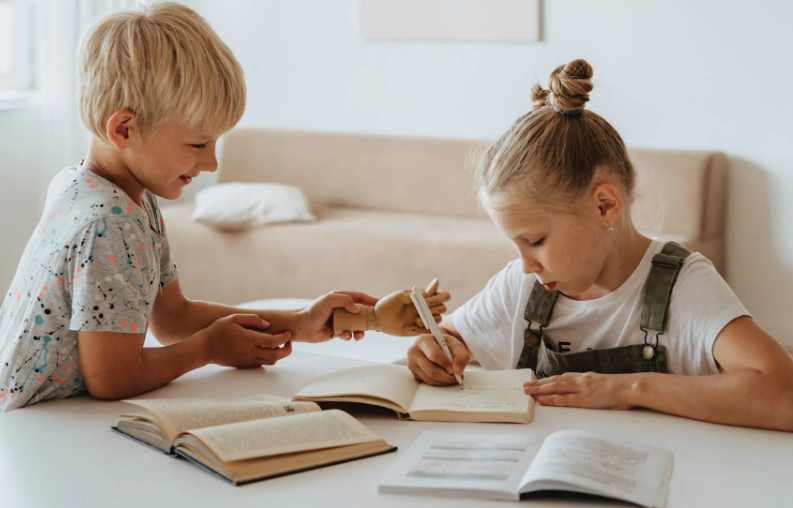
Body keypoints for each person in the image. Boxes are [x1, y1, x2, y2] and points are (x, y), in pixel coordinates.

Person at [0, 2, 376, 412]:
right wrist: (208, 348)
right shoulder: (109, 221)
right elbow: (111, 378)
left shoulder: (96, 187)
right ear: (124, 129)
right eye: (198, 144)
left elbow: (172, 317)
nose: (212, 163)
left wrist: (299, 322)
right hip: (32, 427)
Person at [406, 59, 793, 432]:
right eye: (515, 244)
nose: (526, 265)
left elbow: (783, 393)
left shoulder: (683, 286)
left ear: (605, 206)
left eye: (536, 241)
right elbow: (451, 336)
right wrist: (435, 351)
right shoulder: (523, 288)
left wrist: (627, 389)